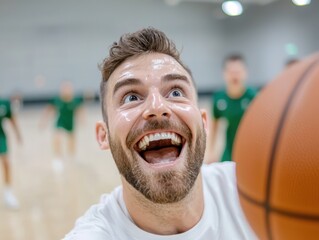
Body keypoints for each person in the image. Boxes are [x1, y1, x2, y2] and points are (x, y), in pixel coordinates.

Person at [64, 28, 257, 239]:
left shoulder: (256, 190)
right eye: (131, 97)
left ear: (203, 122)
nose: (157, 106)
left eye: (176, 92)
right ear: (104, 135)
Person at [207, 54, 257, 163]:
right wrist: (211, 152)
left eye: (238, 72)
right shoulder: (219, 98)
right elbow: (215, 125)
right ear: (224, 74)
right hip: (230, 149)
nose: (235, 76)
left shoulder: (254, 97)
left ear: (245, 73)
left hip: (252, 149)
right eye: (231, 72)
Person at [40, 81, 84, 170]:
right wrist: (44, 121)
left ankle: (71, 158)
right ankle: (57, 159)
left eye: (68, 89)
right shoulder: (57, 99)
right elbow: (48, 109)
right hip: (60, 123)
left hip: (70, 123)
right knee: (57, 138)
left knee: (71, 142)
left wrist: (82, 119)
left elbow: (80, 110)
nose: (66, 91)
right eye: (64, 89)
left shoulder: (75, 100)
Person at [0, 97, 22, 209]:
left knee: (6, 163)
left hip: (0, 136)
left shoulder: (3, 104)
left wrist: (18, 134)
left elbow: (12, 120)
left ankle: (8, 194)